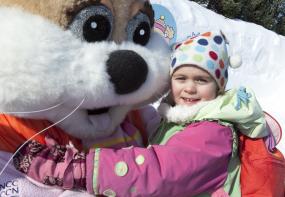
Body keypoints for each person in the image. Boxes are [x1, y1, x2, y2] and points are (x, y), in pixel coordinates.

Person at [13, 31, 278, 196]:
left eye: (201, 80)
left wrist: (78, 170)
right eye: (182, 77)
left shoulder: (214, 131)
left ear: (219, 87)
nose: (189, 88)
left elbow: (159, 172)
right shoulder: (181, 119)